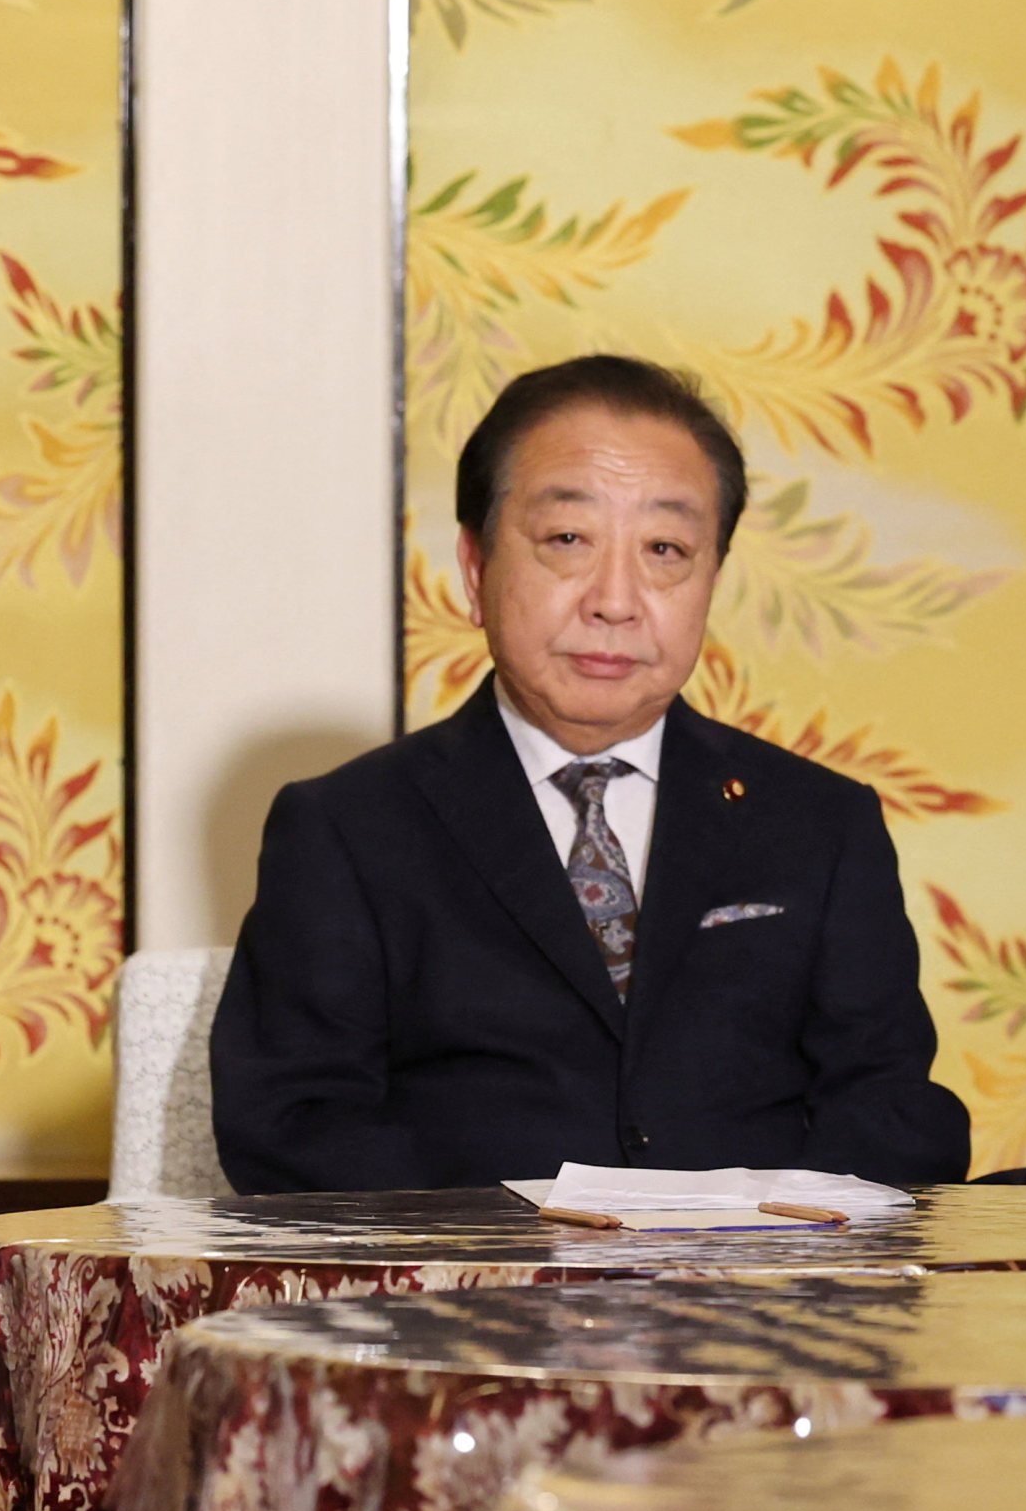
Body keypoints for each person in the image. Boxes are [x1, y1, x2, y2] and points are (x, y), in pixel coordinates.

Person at [210, 354, 972, 1192]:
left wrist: (746, 1239)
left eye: (665, 549)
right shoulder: (346, 828)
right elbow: (291, 1128)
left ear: (710, 579)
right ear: (475, 568)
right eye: (568, 540)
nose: (616, 599)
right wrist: (531, 1241)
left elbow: (893, 1107)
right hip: (465, 1304)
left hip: (755, 1297)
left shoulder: (821, 823)